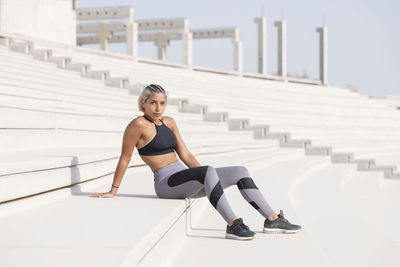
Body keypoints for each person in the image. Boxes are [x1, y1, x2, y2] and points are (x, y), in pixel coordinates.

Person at [90, 84, 301, 240]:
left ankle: (272, 219)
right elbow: (125, 158)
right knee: (207, 171)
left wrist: (206, 178)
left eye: (162, 103)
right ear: (143, 103)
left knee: (240, 170)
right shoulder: (137, 125)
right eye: (153, 102)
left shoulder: (170, 122)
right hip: (166, 184)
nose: (158, 107)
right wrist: (113, 190)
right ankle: (233, 223)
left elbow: (186, 155)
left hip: (183, 177)